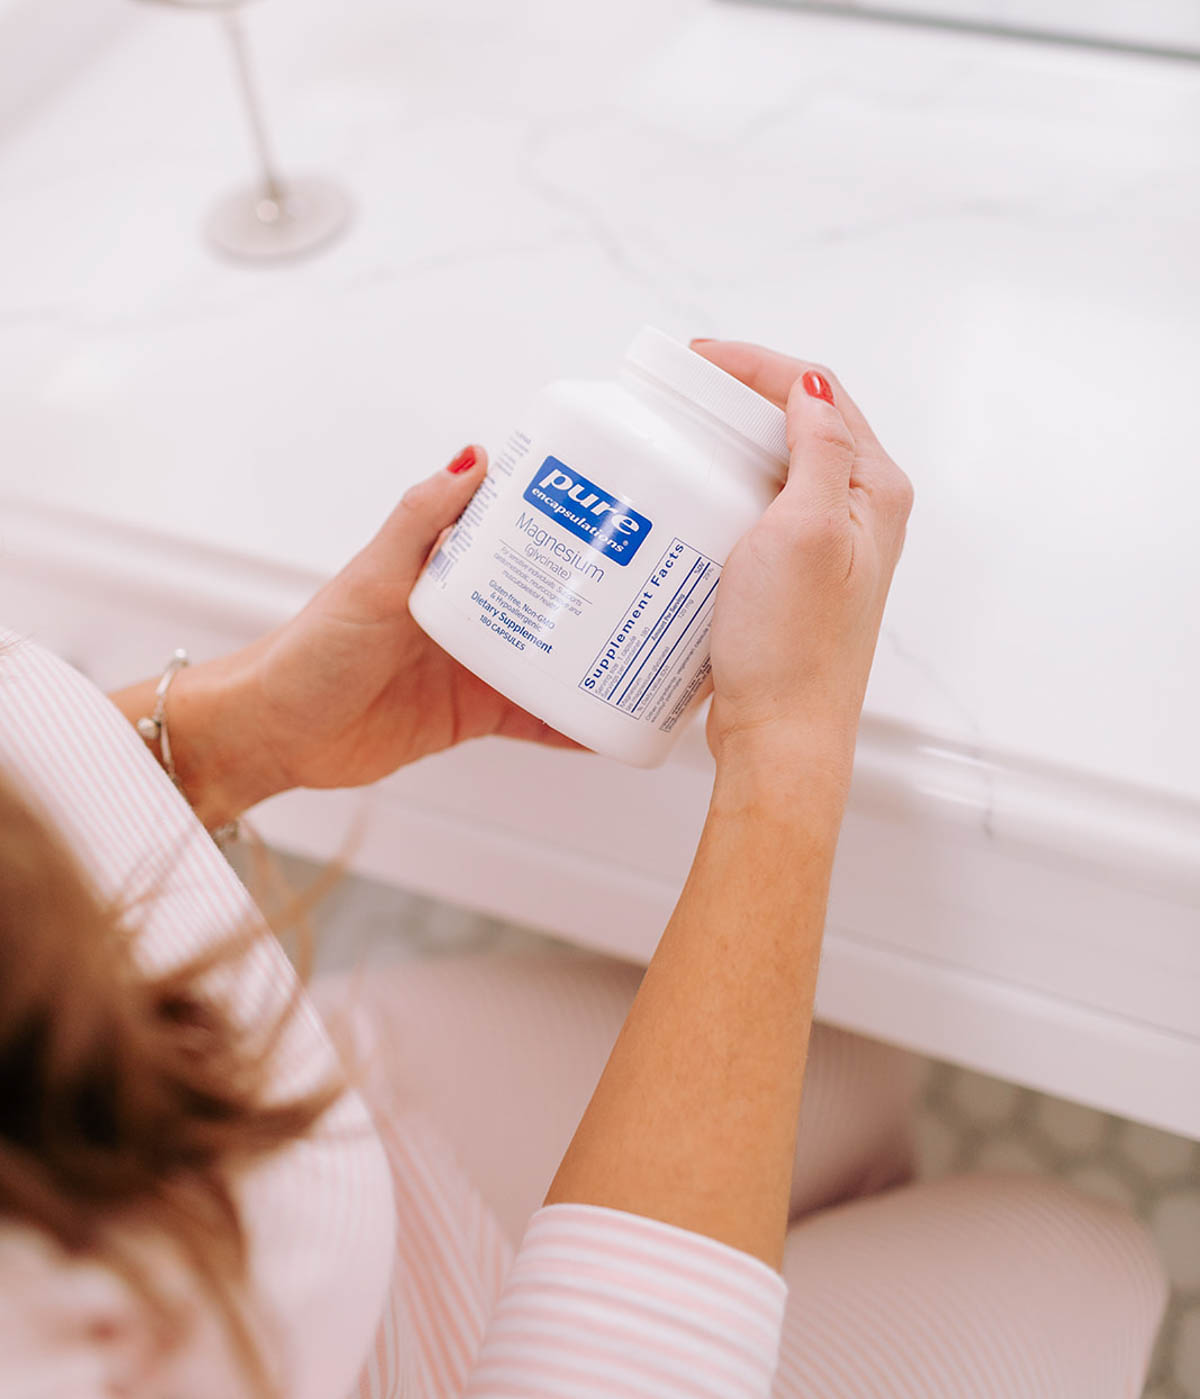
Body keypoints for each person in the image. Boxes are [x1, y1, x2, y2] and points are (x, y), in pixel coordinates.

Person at [0, 340, 1166, 1399]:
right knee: (1085, 1252)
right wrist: (786, 746)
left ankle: (841, 1215)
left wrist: (222, 739)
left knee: (853, 1058)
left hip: (230, 1109)